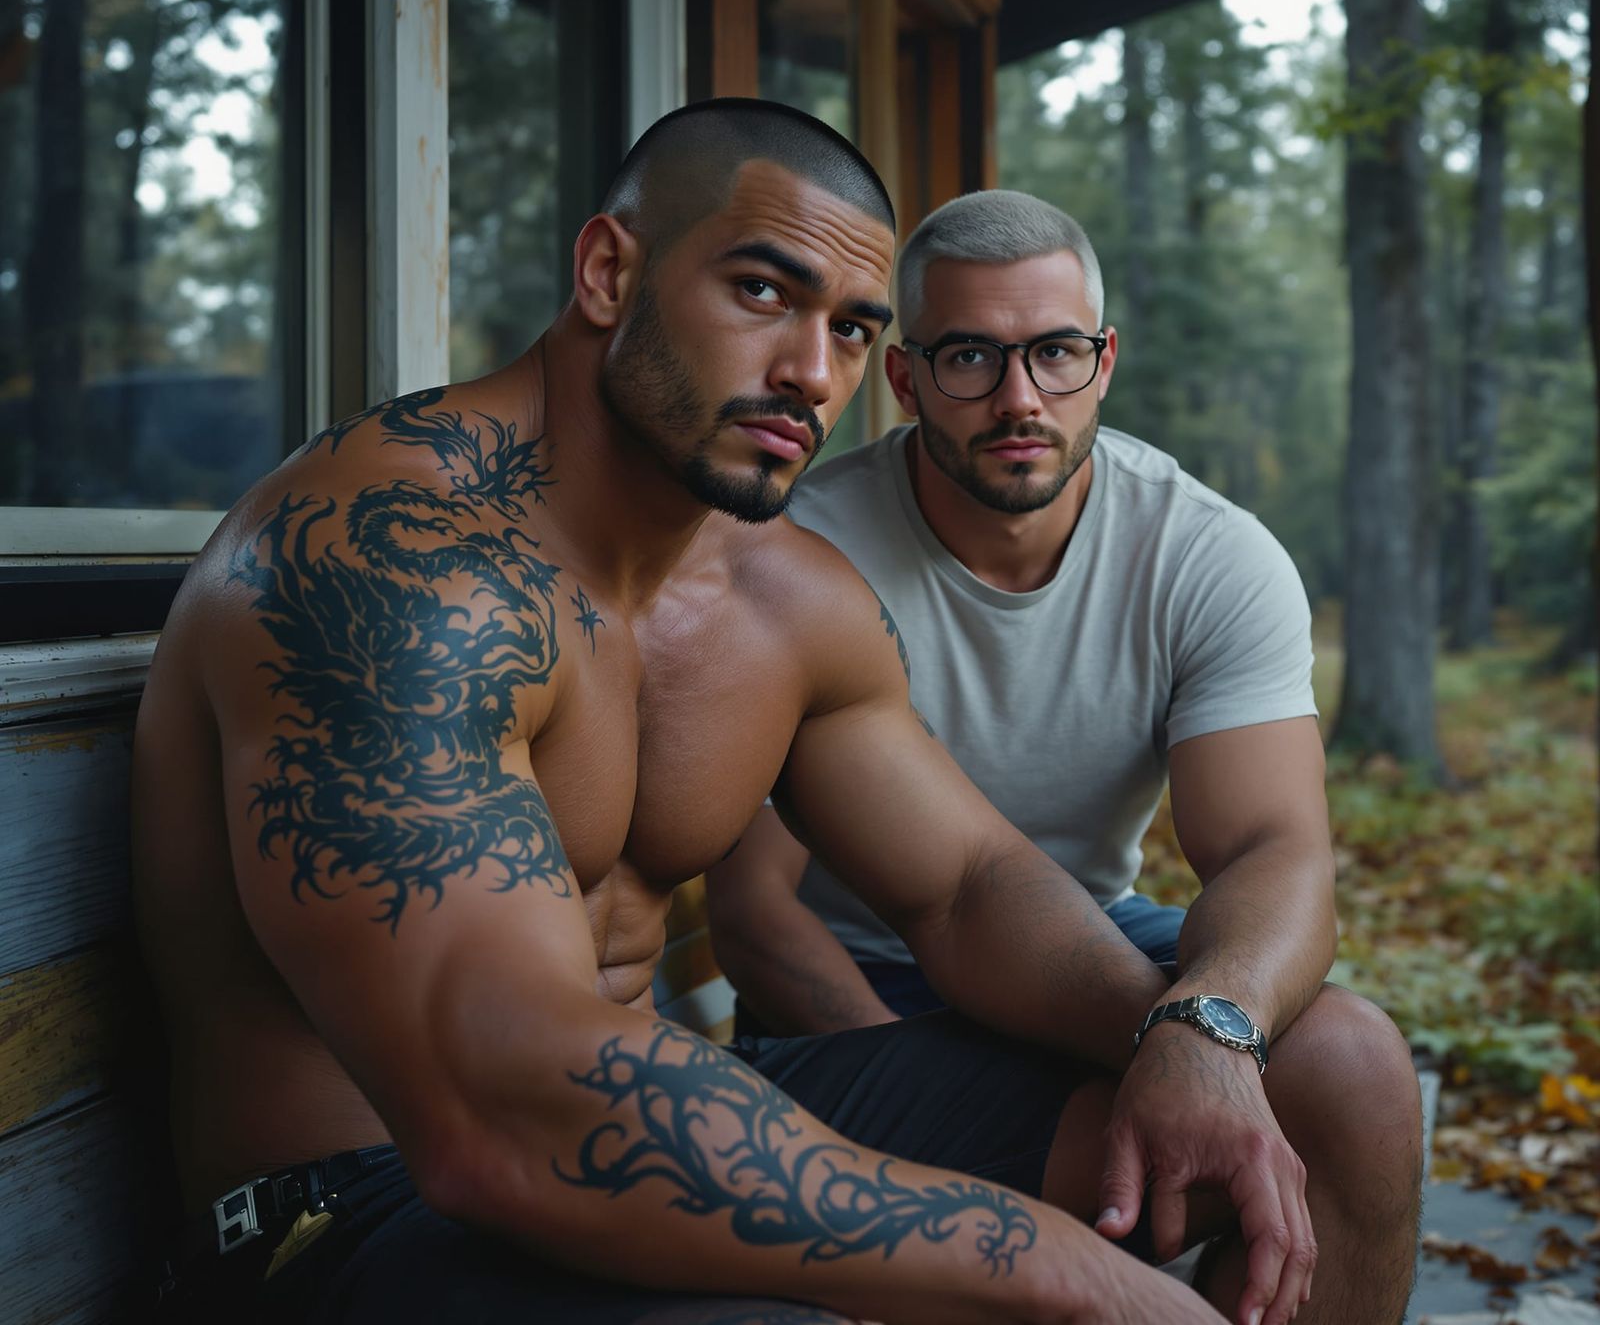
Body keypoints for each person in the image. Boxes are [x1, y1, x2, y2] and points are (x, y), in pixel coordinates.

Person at [136, 101, 1345, 1325]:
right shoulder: (389, 564)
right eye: (763, 292)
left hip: (661, 1109)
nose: (812, 373)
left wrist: (1190, 1039)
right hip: (360, 1207)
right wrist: (1059, 1267)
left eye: (851, 328)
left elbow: (966, 888)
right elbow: (497, 1105)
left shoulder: (777, 594)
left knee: (1325, 1078)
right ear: (609, 272)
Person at [707, 188, 1424, 1324]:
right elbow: (756, 914)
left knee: (1357, 1067)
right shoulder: (804, 553)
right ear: (904, 380)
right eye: (969, 358)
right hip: (858, 982)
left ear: (1104, 361)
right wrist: (934, 1114)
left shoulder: (1205, 555)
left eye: (1054, 352)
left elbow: (1272, 849)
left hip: (1086, 946)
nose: (1019, 397)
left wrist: (1203, 1031)